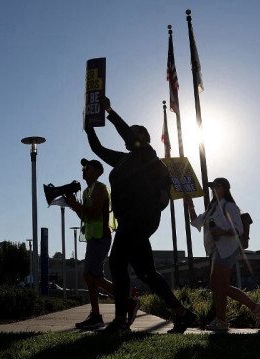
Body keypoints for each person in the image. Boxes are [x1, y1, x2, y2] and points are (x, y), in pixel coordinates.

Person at [84, 96, 197, 334]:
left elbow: (128, 136)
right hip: (130, 220)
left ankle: (121, 321)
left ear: (142, 138)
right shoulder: (125, 159)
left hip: (140, 218)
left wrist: (109, 111)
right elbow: (98, 149)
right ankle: (182, 314)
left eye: (134, 134)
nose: (129, 138)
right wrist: (89, 126)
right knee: (146, 273)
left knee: (116, 262)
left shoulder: (147, 152)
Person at [184, 178, 260, 331]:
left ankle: (222, 320)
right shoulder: (211, 208)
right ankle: (254, 308)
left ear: (223, 188)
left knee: (217, 284)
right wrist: (190, 207)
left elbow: (238, 229)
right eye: (212, 186)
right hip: (216, 249)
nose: (213, 189)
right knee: (220, 286)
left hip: (227, 248)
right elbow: (196, 222)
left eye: (215, 186)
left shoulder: (230, 206)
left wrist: (222, 231)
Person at [65, 158, 118, 330]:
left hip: (101, 237)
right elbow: (85, 217)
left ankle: (126, 302)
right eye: (83, 168)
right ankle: (96, 315)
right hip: (93, 238)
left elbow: (94, 214)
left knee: (91, 276)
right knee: (92, 277)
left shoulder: (100, 188)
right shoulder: (88, 191)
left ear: (97, 171)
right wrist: (75, 206)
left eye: (87, 168)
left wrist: (75, 204)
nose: (84, 171)